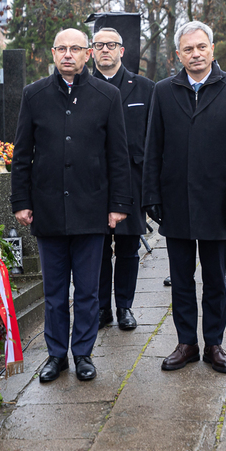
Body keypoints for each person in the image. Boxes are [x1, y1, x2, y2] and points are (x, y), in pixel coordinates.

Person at [11, 28, 132, 383]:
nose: (68, 54)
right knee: (54, 292)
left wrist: (118, 204)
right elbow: (21, 153)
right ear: (52, 53)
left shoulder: (106, 96)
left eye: (75, 48)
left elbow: (118, 155)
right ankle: (55, 355)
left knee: (88, 291)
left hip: (92, 209)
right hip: (47, 209)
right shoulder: (34, 95)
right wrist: (21, 200)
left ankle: (83, 353)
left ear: (88, 54)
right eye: (61, 48)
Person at [143, 21, 226, 374]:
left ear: (212, 48)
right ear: (178, 54)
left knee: (216, 279)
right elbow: (153, 147)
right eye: (188, 49)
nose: (195, 54)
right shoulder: (163, 91)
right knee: (181, 277)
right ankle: (186, 342)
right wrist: (151, 196)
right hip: (175, 200)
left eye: (201, 47)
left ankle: (215, 343)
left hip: (217, 202)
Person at [90, 27, 153, 331]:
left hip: (132, 181)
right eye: (99, 45)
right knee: (97, 249)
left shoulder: (144, 89)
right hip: (92, 184)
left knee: (128, 249)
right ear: (92, 51)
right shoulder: (82, 88)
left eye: (111, 45)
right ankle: (102, 308)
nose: (105, 50)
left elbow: (154, 140)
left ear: (122, 50)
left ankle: (124, 306)